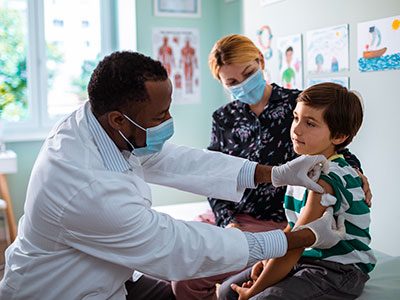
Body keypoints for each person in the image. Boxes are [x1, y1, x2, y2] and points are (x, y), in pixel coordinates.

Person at [0, 51, 344, 300]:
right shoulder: (85, 187)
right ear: (119, 119)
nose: (168, 123)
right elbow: (177, 247)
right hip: (61, 290)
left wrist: (275, 173)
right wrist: (298, 238)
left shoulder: (96, 119)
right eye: (159, 116)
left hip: (107, 273)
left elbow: (175, 161)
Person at [172, 34, 372, 300]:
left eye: (248, 73)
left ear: (261, 61)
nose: (243, 84)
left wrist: (357, 175)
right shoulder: (224, 118)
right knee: (186, 279)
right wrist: (228, 222)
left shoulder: (297, 103)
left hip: (280, 223)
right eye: (232, 81)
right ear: (221, 83)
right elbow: (214, 175)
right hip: (244, 219)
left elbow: (337, 150)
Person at [219, 83, 377, 300]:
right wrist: (265, 261)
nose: (296, 129)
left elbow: (296, 243)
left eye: (310, 123)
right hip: (306, 260)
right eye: (295, 117)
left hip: (337, 270)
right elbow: (292, 228)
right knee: (226, 290)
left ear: (339, 137)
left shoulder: (325, 179)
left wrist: (253, 291)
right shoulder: (300, 170)